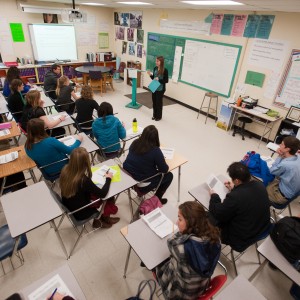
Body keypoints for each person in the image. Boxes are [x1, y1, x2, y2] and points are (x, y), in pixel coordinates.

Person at [156, 201, 221, 300]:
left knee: (155, 262)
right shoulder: (216, 240)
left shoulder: (180, 248)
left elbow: (170, 241)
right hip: (201, 287)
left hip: (182, 293)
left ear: (191, 224)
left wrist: (183, 232)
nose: (177, 222)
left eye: (180, 219)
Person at [209, 162, 270, 252]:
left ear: (237, 181)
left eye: (232, 178)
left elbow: (218, 213)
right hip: (262, 229)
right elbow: (247, 197)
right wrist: (234, 189)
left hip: (240, 239)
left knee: (208, 216)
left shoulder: (235, 197)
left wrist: (214, 196)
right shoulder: (259, 185)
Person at [60, 147, 120, 229]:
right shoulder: (83, 180)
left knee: (97, 192)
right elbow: (103, 194)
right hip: (81, 211)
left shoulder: (65, 169)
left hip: (70, 205)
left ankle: (102, 219)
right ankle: (100, 220)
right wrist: (108, 178)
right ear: (85, 162)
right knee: (109, 197)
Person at [123, 125, 173, 205]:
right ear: (156, 138)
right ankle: (157, 199)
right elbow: (164, 169)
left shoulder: (135, 142)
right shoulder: (155, 151)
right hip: (141, 183)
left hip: (128, 177)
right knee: (169, 176)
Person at [267, 136, 300, 204]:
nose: (279, 145)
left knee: (259, 185)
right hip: (293, 193)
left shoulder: (285, 164)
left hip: (280, 196)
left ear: (287, 149)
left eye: (282, 144)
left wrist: (279, 156)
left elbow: (272, 171)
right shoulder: (298, 157)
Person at [147, 56, 169, 121]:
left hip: (160, 89)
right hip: (154, 87)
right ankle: (154, 115)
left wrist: (159, 79)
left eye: (157, 61)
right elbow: (154, 77)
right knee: (154, 102)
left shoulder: (165, 70)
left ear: (161, 62)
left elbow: (166, 80)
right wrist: (150, 75)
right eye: (156, 61)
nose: (156, 62)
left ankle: (159, 116)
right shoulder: (155, 68)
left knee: (158, 103)